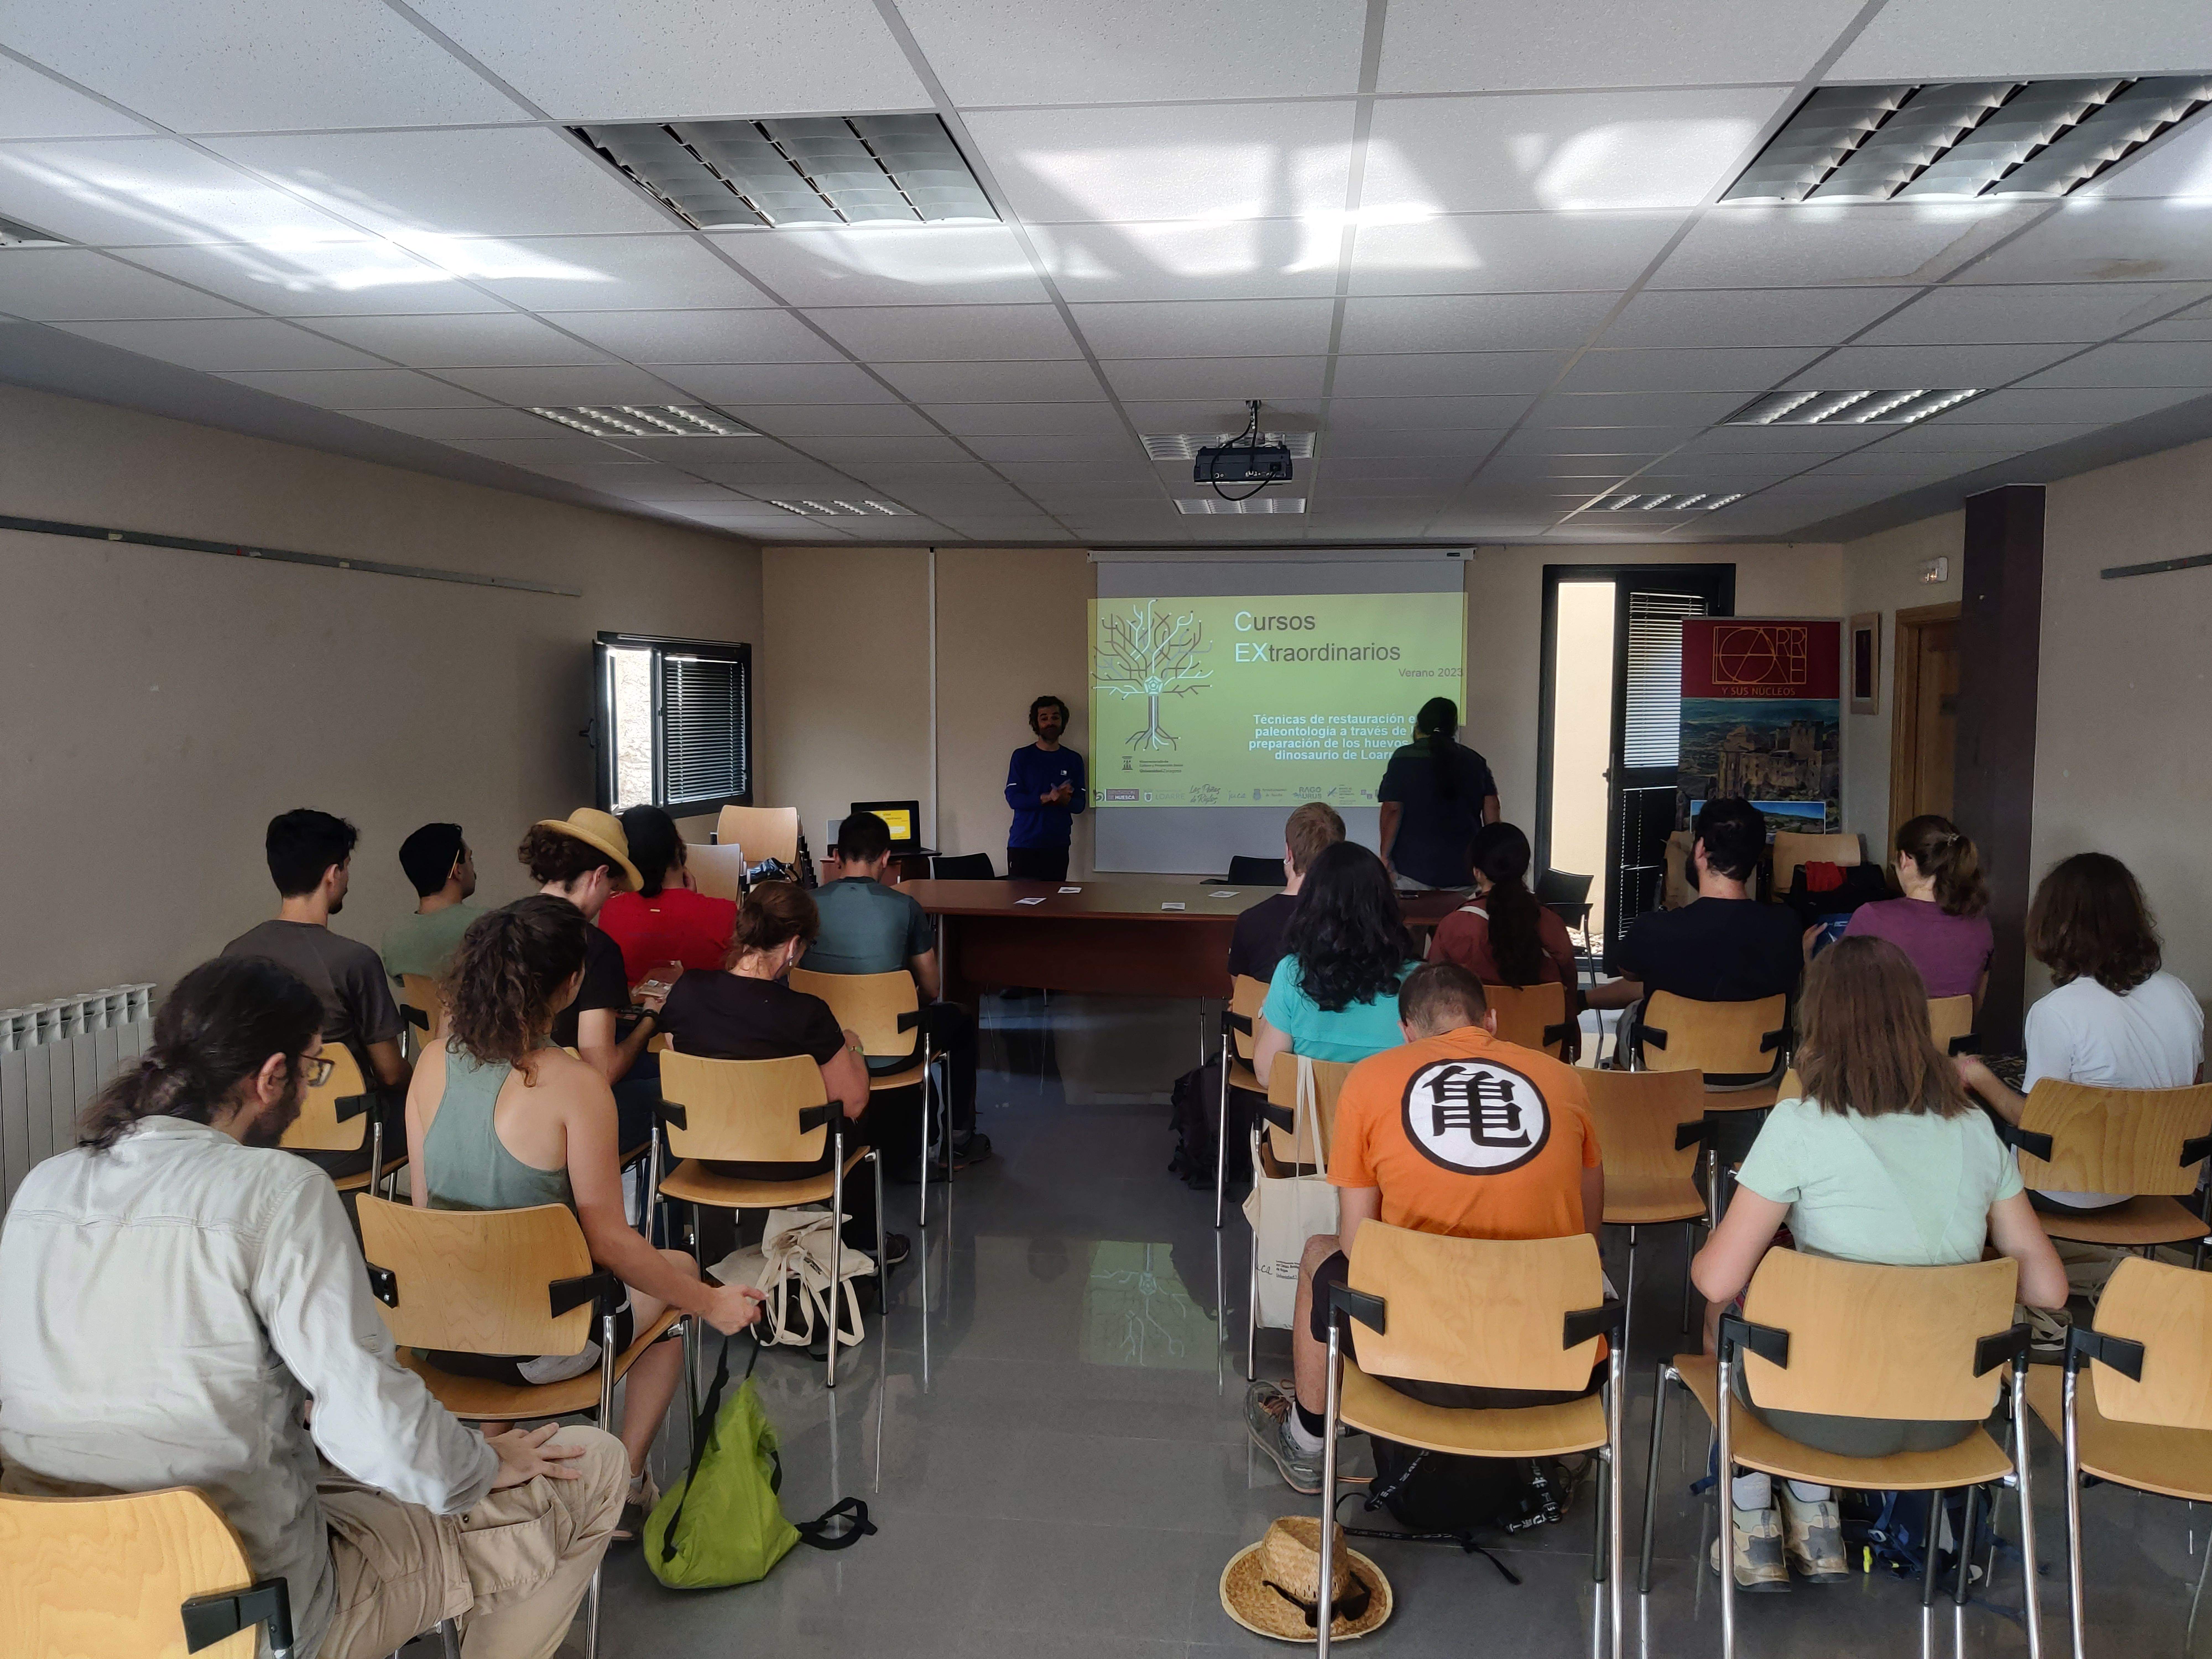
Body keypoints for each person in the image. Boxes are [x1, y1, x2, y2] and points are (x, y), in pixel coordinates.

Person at [0, 956, 628, 1659]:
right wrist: (481, 1463)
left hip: (54, 1596)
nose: (306, 1089)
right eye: (310, 1069)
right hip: (245, 1616)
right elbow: (376, 1428)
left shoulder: (43, 1188)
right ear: (269, 1078)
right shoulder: (278, 1192)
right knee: (591, 1462)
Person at [1691, 936, 2067, 1590]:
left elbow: (1715, 1277)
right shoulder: (1974, 1128)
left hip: (1813, 1408)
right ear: (1916, 1020)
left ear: (1819, 1022)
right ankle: (1813, 1512)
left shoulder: (1798, 1122)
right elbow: (2048, 1288)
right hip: (1949, 1414)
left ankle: (1764, 1516)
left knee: (1724, 1310)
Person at [407, 897, 765, 1538]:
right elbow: (612, 1241)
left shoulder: (432, 1063)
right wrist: (710, 1302)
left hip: (439, 1335)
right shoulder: (575, 1085)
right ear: (570, 985)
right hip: (534, 1349)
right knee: (676, 1275)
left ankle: (502, 1450)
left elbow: (426, 1212)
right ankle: (622, 1481)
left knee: (498, 1260)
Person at [1244, 963, 1605, 1493]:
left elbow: (1358, 1245)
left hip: (1412, 1357)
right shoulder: (1564, 1081)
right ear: (1493, 1021)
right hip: (1552, 1362)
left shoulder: (1371, 1080)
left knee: (1321, 1252)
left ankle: (1308, 1440)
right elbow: (1588, 1234)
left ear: (1406, 1031)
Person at [655, 880, 909, 1268]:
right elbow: (854, 1100)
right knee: (856, 1120)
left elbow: (680, 1057)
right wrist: (854, 1045)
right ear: (793, 945)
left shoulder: (688, 991)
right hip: (794, 1159)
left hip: (710, 1153)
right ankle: (865, 1244)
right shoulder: (807, 1013)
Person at [1958, 851, 2204, 1217]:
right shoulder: (2181, 995)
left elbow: (2037, 1123)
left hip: (2067, 1188)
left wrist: (1975, 1074)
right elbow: (2192, 1090)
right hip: (2155, 1182)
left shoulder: (2056, 1012)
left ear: (2053, 923)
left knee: (1966, 1116)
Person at [803, 809, 988, 1179]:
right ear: (887, 859)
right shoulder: (905, 908)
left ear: (837, 857)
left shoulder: (805, 906)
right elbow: (934, 989)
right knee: (962, 1020)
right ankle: (959, 1140)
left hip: (824, 1050)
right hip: (894, 1051)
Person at [222, 808, 408, 1177]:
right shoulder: (355, 961)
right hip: (347, 1144)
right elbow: (390, 1073)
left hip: (260, 1141)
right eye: (346, 868)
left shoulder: (234, 955)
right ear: (333, 873)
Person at [519, 809, 660, 1155]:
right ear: (599, 876)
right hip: (563, 1116)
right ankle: (671, 1208)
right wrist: (650, 1019)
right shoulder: (593, 946)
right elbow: (602, 1071)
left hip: (502, 1101)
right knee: (682, 1089)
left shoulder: (499, 925)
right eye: (612, 886)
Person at [1587, 797, 1803, 1011]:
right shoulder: (1786, 927)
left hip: (1670, 1046)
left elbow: (1631, 975)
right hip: (1757, 1046)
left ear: (1700, 849)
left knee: (1632, 1016)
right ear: (1755, 858)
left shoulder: (1653, 929)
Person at [1252, 842, 1421, 1083]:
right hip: (1389, 1119)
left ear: (1312, 903)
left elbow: (1267, 1075)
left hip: (1311, 1119)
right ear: (1385, 901)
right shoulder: (1419, 981)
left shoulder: (1292, 974)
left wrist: (1269, 1014)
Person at [1840, 815, 1992, 1002]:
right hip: (1955, 1032)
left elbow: (1841, 997)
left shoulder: (1871, 917)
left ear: (1905, 860)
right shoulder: (1980, 925)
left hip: (1890, 1032)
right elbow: (1974, 1006)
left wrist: (1808, 957)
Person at [1428, 821, 1579, 988]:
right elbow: (1569, 987)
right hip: (1542, 1014)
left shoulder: (1454, 926)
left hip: (1478, 1014)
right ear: (1523, 869)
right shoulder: (1550, 922)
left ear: (1477, 872)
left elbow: (1433, 988)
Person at [599, 805, 737, 983]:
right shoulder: (724, 914)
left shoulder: (609, 910)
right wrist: (692, 903)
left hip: (635, 1009)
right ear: (677, 848)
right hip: (701, 1010)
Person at [1377, 697, 1499, 889]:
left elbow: (1393, 809)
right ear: (1454, 729)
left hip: (1413, 868)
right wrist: (1490, 860)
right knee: (1459, 918)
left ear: (1419, 726)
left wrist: (1384, 856)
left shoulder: (1404, 758)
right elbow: (1492, 812)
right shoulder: (1475, 760)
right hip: (1463, 869)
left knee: (1413, 917)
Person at [1227, 801, 1346, 985]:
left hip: (1266, 1013)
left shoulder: (1251, 921)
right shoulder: (1355, 918)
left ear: (1289, 852)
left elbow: (1242, 993)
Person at [379, 821, 481, 985]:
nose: (474, 869)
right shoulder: (489, 925)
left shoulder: (394, 938)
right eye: (470, 859)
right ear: (458, 871)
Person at [1004, 693, 1086, 883]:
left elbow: (1080, 805)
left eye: (1055, 718)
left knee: (1055, 907)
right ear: (1036, 723)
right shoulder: (1022, 757)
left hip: (1058, 846)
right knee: (1022, 907)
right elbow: (1014, 799)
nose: (1051, 723)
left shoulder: (1074, 759)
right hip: (1024, 846)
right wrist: (1048, 798)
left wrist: (1065, 801)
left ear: (1063, 722)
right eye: (1045, 718)